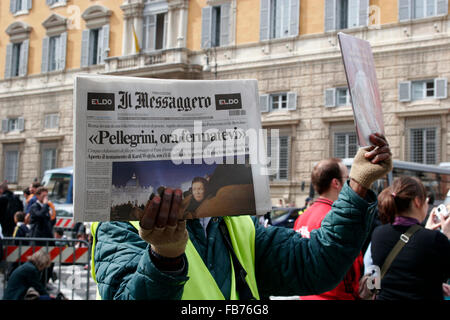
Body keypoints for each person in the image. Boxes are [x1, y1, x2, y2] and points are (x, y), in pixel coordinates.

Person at [91, 133, 392, 300]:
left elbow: (315, 264)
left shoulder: (234, 221)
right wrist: (164, 259)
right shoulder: (119, 221)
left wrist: (358, 185)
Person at [293, 158, 364, 300]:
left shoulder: (302, 217)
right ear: (336, 183)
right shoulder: (337, 218)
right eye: (347, 178)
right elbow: (352, 267)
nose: (349, 183)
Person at [370, 176, 450, 300]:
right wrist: (446, 236)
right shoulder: (434, 240)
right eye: (426, 201)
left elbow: (402, 273)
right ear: (417, 201)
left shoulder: (378, 233)